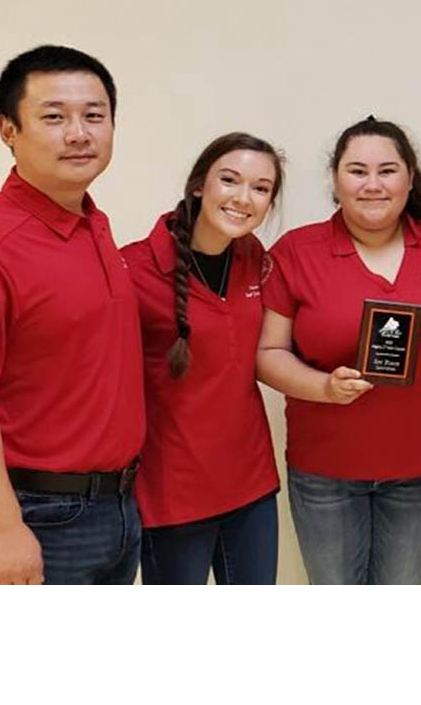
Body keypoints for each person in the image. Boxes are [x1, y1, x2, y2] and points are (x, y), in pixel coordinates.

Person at [0, 45, 144, 585]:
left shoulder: (93, 224)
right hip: (35, 517)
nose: (79, 133)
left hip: (115, 509)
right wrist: (2, 530)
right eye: (54, 117)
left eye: (94, 116)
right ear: (8, 129)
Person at [256, 117, 421, 584]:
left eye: (388, 171)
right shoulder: (296, 251)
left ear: (411, 178)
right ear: (335, 180)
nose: (373, 184)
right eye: (357, 171)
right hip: (327, 470)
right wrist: (324, 387)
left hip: (420, 466)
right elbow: (268, 352)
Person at [122, 132, 285, 584]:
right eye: (229, 180)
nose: (243, 198)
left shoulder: (255, 257)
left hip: (251, 486)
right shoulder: (133, 269)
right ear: (199, 185)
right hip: (172, 495)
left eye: (261, 187)